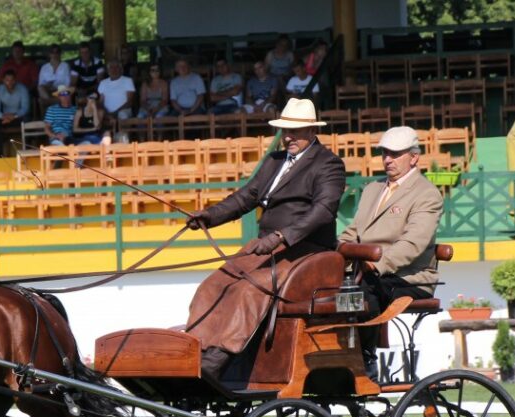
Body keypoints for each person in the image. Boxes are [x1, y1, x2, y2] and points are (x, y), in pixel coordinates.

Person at [184, 98, 346, 378]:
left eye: (294, 131)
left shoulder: (328, 164)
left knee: (249, 290)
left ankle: (218, 360)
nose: (288, 137)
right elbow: (246, 197)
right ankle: (198, 348)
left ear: (311, 130)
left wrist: (283, 236)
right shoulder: (274, 162)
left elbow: (323, 211)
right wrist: (210, 216)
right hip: (264, 248)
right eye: (285, 131)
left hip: (304, 251)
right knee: (213, 284)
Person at [338, 126, 444, 379]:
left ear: (414, 157)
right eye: (385, 153)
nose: (387, 159)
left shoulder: (427, 194)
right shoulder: (372, 189)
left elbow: (413, 244)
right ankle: (333, 357)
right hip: (365, 272)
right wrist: (334, 255)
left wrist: (378, 264)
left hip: (410, 276)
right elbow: (353, 232)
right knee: (325, 287)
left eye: (395, 154)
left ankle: (366, 359)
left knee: (364, 290)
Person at [0, 69, 30, 158]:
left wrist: (14, 116)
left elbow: (25, 108)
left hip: (18, 117)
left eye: (12, 80)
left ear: (15, 80)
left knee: (27, 120)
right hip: (4, 118)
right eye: (7, 80)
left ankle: (27, 151)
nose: (9, 83)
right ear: (3, 80)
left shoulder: (22, 89)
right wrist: (3, 116)